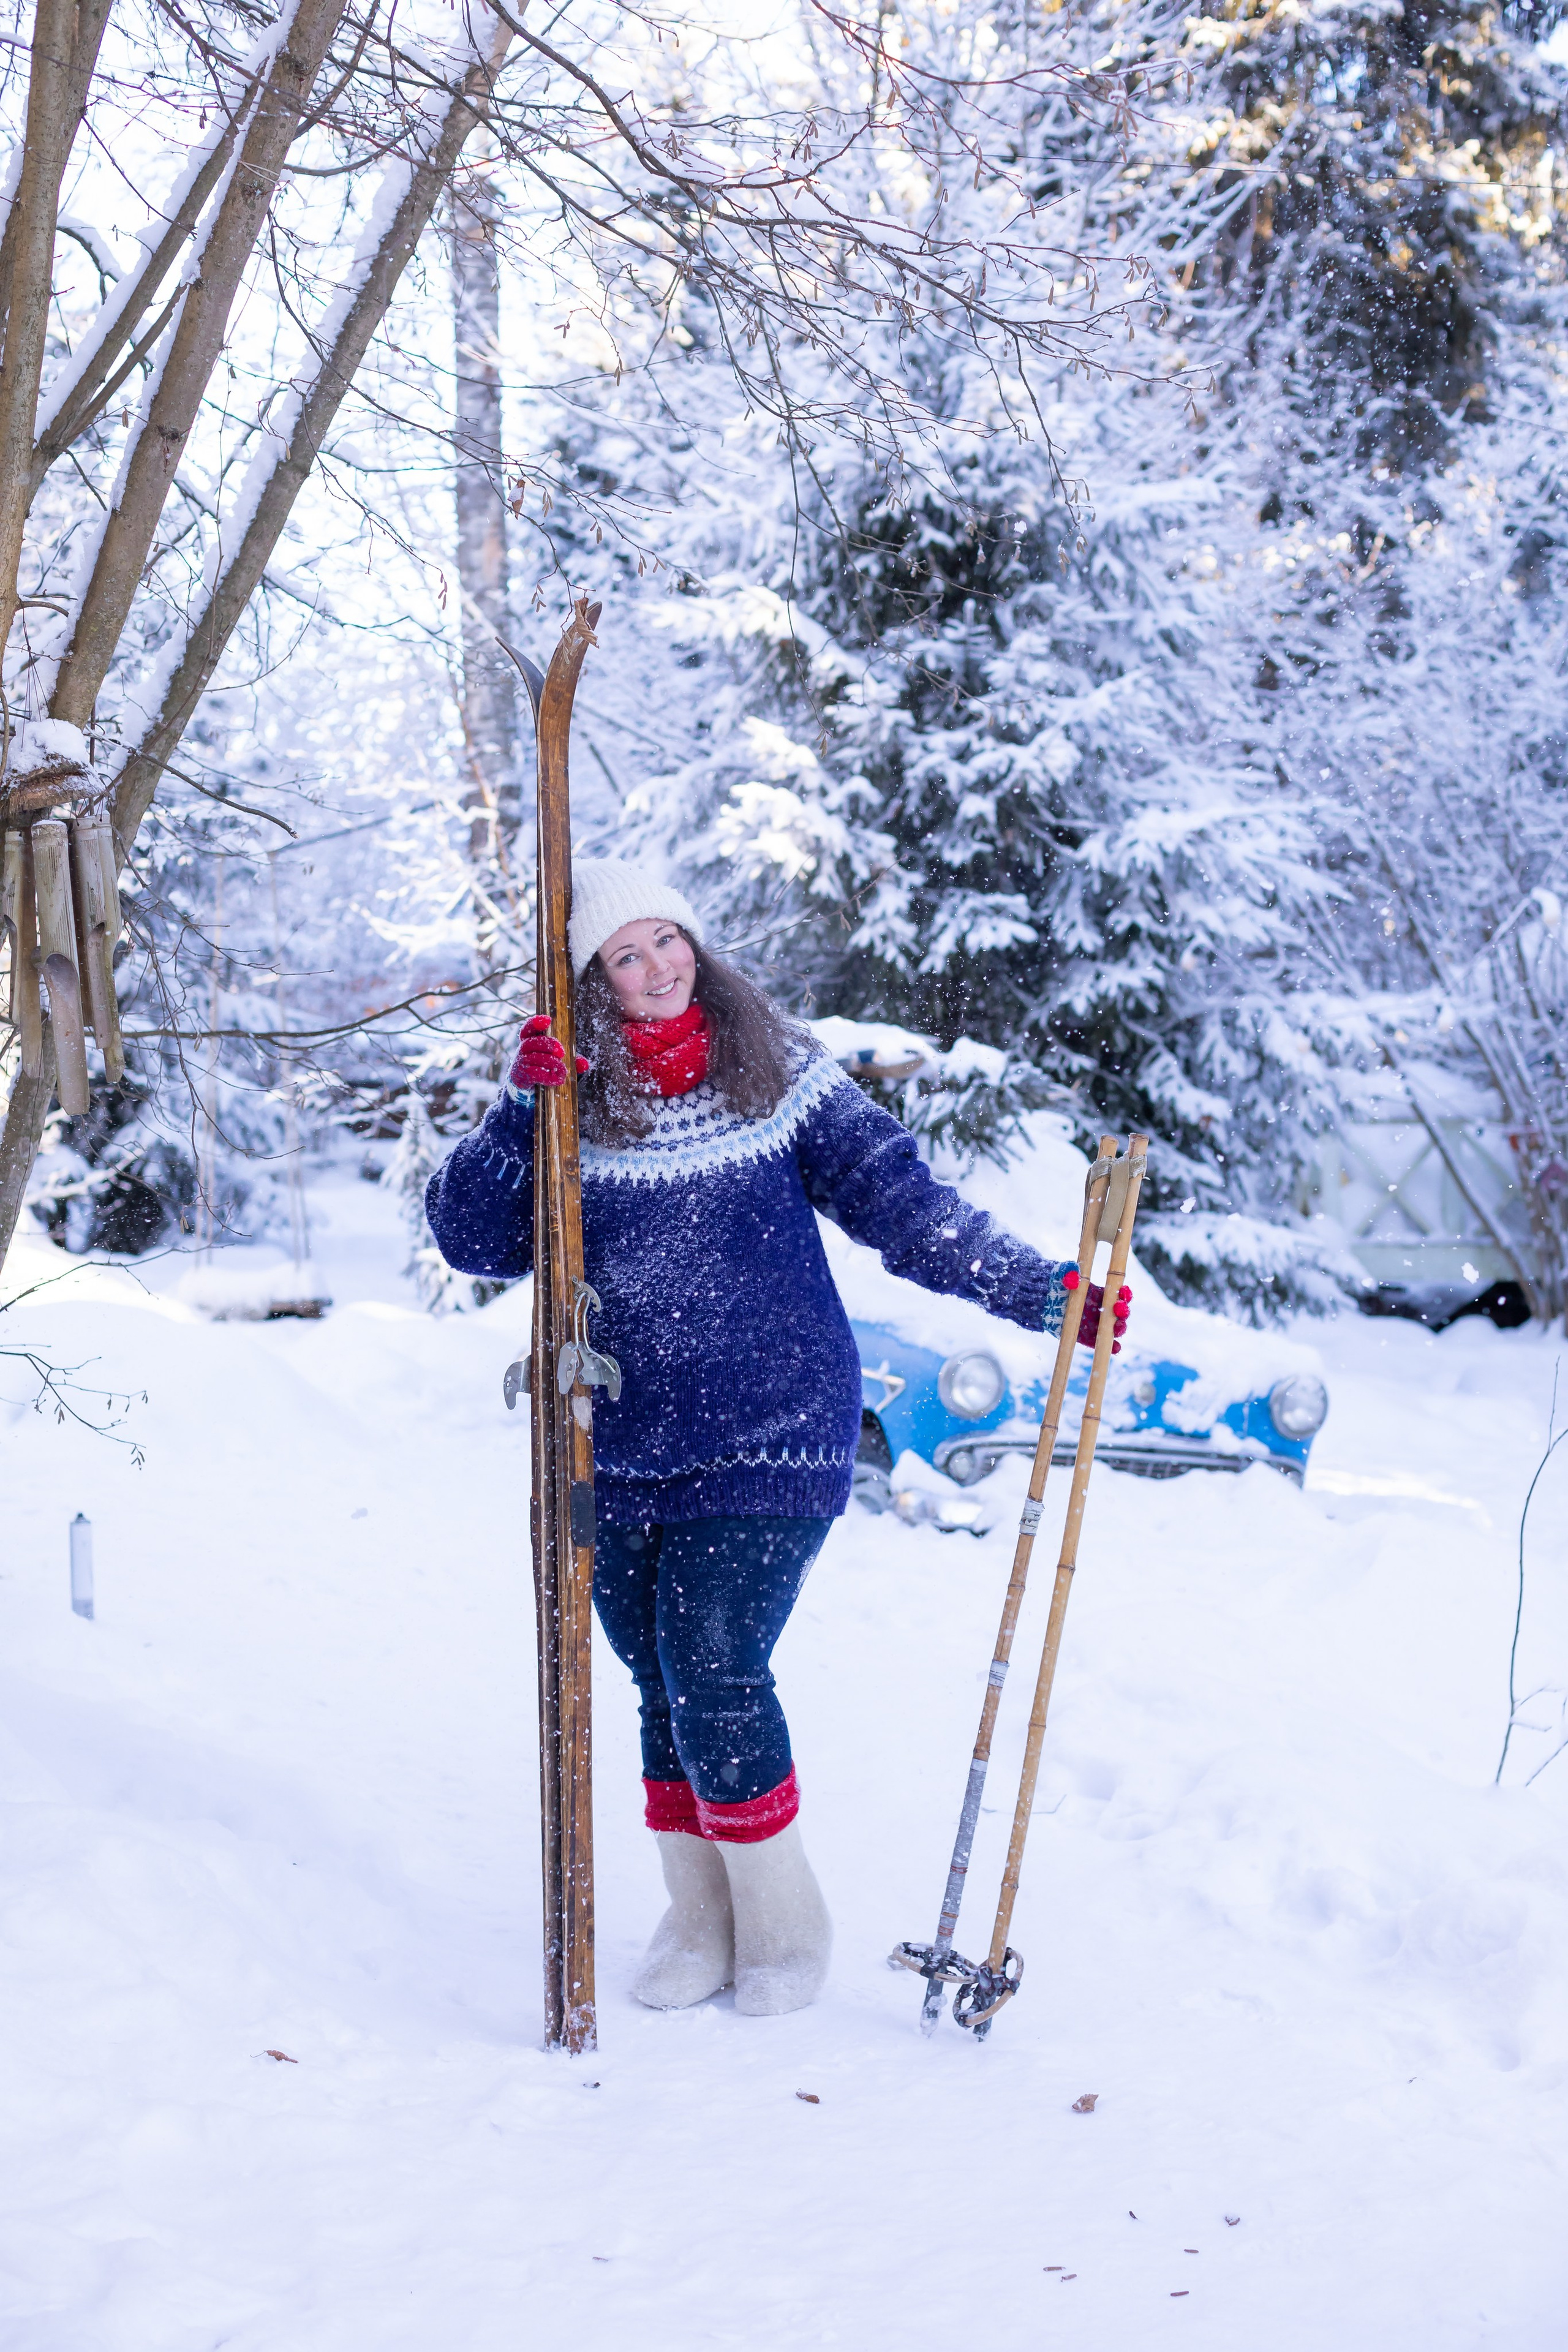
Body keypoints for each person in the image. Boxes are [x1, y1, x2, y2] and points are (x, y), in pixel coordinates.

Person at [424, 860, 1130, 2018]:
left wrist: (1042, 1293)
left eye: (670, 942)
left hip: (775, 1421)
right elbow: (474, 1241)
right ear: (592, 981)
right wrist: (520, 1109)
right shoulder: (571, 1099)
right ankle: (698, 1920)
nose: (658, 969)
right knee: (658, 1677)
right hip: (618, 1432)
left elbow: (906, 1207)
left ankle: (786, 1925)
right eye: (625, 956)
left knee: (713, 1659)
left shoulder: (781, 1071)